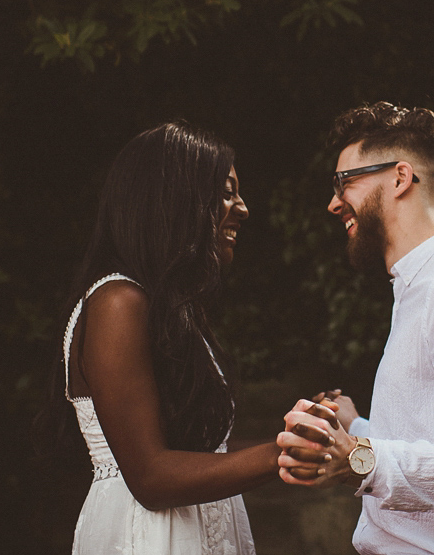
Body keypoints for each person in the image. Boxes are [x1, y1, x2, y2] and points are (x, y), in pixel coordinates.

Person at [277, 102, 434, 555]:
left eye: (345, 181)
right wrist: (355, 425)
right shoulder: (420, 289)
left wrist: (362, 460)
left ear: (400, 178)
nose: (334, 201)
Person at [49, 121, 278, 555]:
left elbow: (208, 452)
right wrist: (280, 458)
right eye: (227, 192)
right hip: (146, 539)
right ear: (176, 200)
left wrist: (290, 437)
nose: (243, 209)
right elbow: (152, 478)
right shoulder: (118, 302)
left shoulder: (170, 310)